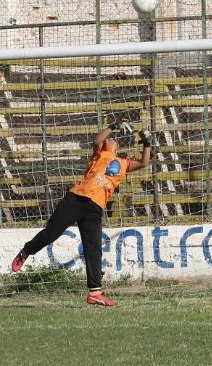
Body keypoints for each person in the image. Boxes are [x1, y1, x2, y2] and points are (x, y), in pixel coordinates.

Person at [10, 121, 152, 306]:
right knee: (51, 233)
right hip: (76, 198)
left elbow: (144, 162)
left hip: (95, 208)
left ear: (117, 149)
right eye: (109, 139)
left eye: (113, 140)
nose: (111, 140)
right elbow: (97, 139)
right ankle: (26, 251)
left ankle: (95, 292)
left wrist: (147, 143)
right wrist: (113, 126)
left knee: (93, 249)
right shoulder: (101, 153)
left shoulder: (124, 163)